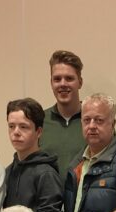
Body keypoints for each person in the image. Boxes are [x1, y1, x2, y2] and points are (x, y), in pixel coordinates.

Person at [5, 98, 63, 212]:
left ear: (38, 132)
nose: (16, 132)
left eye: (24, 127)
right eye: (11, 126)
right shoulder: (8, 171)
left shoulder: (46, 174)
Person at [40, 50, 86, 180]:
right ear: (51, 83)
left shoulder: (95, 121)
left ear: (80, 82)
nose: (63, 84)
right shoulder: (39, 121)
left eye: (69, 78)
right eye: (57, 79)